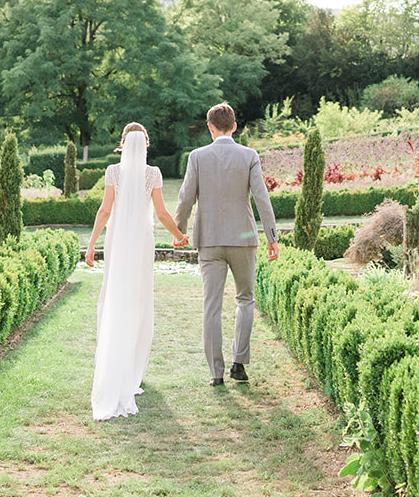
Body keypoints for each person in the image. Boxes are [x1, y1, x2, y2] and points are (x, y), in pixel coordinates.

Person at [86, 122, 188, 421]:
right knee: (140, 301)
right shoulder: (152, 173)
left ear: (122, 144)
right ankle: (132, 371)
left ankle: (118, 366)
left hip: (117, 242)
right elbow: (161, 213)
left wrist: (92, 244)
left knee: (117, 298)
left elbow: (105, 211)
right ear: (144, 144)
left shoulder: (112, 173)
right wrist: (180, 236)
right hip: (141, 243)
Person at [175, 103, 277, 387]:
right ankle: (239, 364)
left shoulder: (197, 157)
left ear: (210, 127)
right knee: (245, 299)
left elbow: (185, 198)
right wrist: (272, 237)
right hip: (243, 240)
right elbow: (262, 199)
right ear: (234, 126)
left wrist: (179, 231)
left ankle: (216, 374)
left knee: (211, 307)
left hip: (209, 241)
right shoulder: (249, 155)